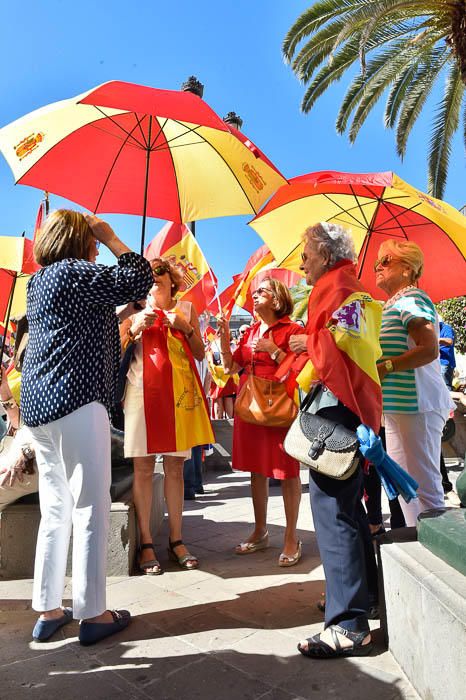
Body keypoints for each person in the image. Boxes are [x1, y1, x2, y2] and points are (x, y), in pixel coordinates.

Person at [21, 210, 153, 644]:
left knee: (55, 510)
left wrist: (121, 314)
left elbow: (79, 326)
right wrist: (114, 238)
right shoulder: (78, 272)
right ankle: (93, 613)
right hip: (77, 400)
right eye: (91, 239)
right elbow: (139, 279)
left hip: (42, 405)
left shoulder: (41, 281)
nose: (96, 246)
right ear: (78, 240)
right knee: (90, 505)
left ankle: (47, 609)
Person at [290, 222, 382, 659]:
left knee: (332, 511)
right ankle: (364, 599)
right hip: (350, 405)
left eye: (306, 253)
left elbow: (337, 350)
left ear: (325, 255)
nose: (301, 262)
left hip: (337, 406)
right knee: (349, 507)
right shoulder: (349, 284)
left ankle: (348, 623)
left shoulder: (335, 286)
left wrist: (303, 341)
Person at [120, 257, 214, 574]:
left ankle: (176, 540)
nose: (152, 288)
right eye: (148, 282)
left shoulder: (185, 309)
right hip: (140, 395)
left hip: (178, 398)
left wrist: (184, 327)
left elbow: (202, 354)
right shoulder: (131, 309)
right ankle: (146, 542)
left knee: (175, 467)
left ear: (172, 283)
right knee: (143, 467)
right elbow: (113, 351)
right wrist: (133, 329)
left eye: (158, 283)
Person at [218, 278, 303, 566]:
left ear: (277, 300)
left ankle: (291, 536)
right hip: (252, 408)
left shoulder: (293, 330)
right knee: (256, 470)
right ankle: (260, 530)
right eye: (255, 292)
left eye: (262, 292)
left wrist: (274, 349)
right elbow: (232, 366)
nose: (255, 296)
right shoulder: (251, 331)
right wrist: (223, 339)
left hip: (279, 408)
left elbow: (300, 370)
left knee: (287, 471)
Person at [374, 240, 454, 526]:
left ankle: (439, 557)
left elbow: (430, 348)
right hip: (401, 407)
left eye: (386, 261)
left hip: (416, 404)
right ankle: (420, 545)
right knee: (407, 489)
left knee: (425, 488)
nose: (377, 268)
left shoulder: (411, 299)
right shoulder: (394, 303)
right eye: (376, 263)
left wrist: (386, 367)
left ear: (407, 268)